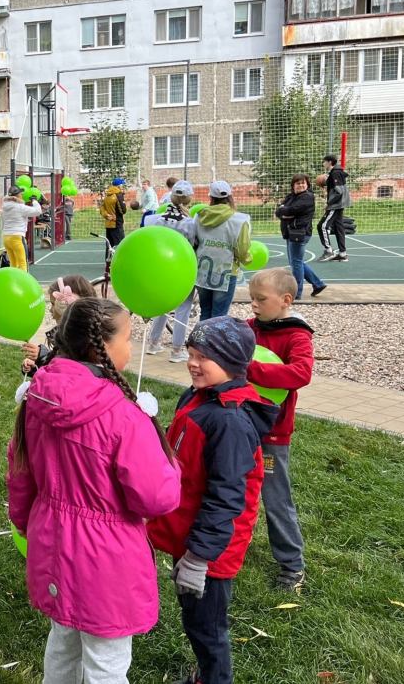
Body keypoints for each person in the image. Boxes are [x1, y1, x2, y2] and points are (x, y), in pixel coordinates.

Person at [8, 298, 181, 684]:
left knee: (63, 642)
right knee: (106, 663)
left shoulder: (36, 400)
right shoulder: (124, 415)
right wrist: (170, 462)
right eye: (128, 338)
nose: (131, 348)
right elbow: (157, 497)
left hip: (52, 545)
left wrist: (24, 523)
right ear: (99, 346)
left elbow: (20, 474)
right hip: (107, 561)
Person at [147, 316, 277, 684]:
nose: (192, 363)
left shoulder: (229, 422)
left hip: (211, 551)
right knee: (195, 619)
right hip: (191, 534)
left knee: (207, 629)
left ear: (233, 363)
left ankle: (215, 677)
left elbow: (226, 498)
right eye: (191, 353)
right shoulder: (201, 396)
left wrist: (199, 558)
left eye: (204, 357)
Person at [246, 268, 314, 592]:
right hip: (242, 422)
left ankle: (292, 565)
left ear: (286, 300)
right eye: (252, 298)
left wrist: (251, 370)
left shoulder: (297, 335)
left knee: (275, 497)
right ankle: (232, 543)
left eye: (261, 299)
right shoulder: (251, 328)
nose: (254, 305)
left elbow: (300, 373)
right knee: (232, 486)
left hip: (273, 432)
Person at [144, 181, 197, 362]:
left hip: (162, 268)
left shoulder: (157, 219)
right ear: (189, 199)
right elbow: (193, 245)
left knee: (163, 304)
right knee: (183, 308)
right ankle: (176, 349)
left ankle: (153, 342)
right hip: (182, 268)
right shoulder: (189, 223)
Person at [193, 181, 251, 321]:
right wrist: (247, 259)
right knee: (219, 315)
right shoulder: (240, 220)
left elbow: (194, 241)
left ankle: (203, 335)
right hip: (226, 271)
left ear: (211, 198)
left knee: (205, 311)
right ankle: (215, 336)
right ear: (230, 197)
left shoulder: (200, 216)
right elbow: (242, 249)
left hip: (203, 268)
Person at [20, 274, 97, 374]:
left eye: (53, 304)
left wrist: (42, 356)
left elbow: (62, 373)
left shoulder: (77, 345)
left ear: (65, 307)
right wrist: (38, 363)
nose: (51, 310)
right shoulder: (81, 338)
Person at [276, 174, 327, 300]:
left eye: (303, 183)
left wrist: (285, 212)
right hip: (290, 232)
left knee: (296, 263)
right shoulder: (291, 196)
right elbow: (280, 211)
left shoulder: (307, 197)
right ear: (293, 185)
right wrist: (284, 212)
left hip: (299, 233)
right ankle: (318, 284)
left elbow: (291, 210)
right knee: (296, 261)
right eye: (298, 183)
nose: (301, 185)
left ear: (307, 184)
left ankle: (297, 292)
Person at [316, 154, 351, 262]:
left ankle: (329, 251)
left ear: (330, 162)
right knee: (338, 227)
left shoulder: (335, 173)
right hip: (340, 204)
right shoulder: (336, 172)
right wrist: (327, 182)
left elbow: (339, 192)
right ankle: (342, 254)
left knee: (322, 226)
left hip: (336, 204)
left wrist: (329, 203)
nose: (323, 164)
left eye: (324, 161)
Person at [1, 184, 41, 271]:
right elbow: (38, 211)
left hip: (6, 237)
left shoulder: (4, 207)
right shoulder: (20, 207)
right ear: (17, 195)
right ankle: (24, 279)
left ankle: (13, 279)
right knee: (23, 263)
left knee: (13, 263)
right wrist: (34, 201)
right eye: (20, 193)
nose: (22, 194)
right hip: (17, 237)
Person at [98, 178, 127, 247]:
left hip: (108, 223)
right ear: (119, 185)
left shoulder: (107, 195)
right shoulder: (118, 195)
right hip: (116, 222)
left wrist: (107, 215)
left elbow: (102, 208)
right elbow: (123, 210)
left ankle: (108, 254)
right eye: (122, 184)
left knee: (109, 245)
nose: (123, 186)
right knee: (120, 244)